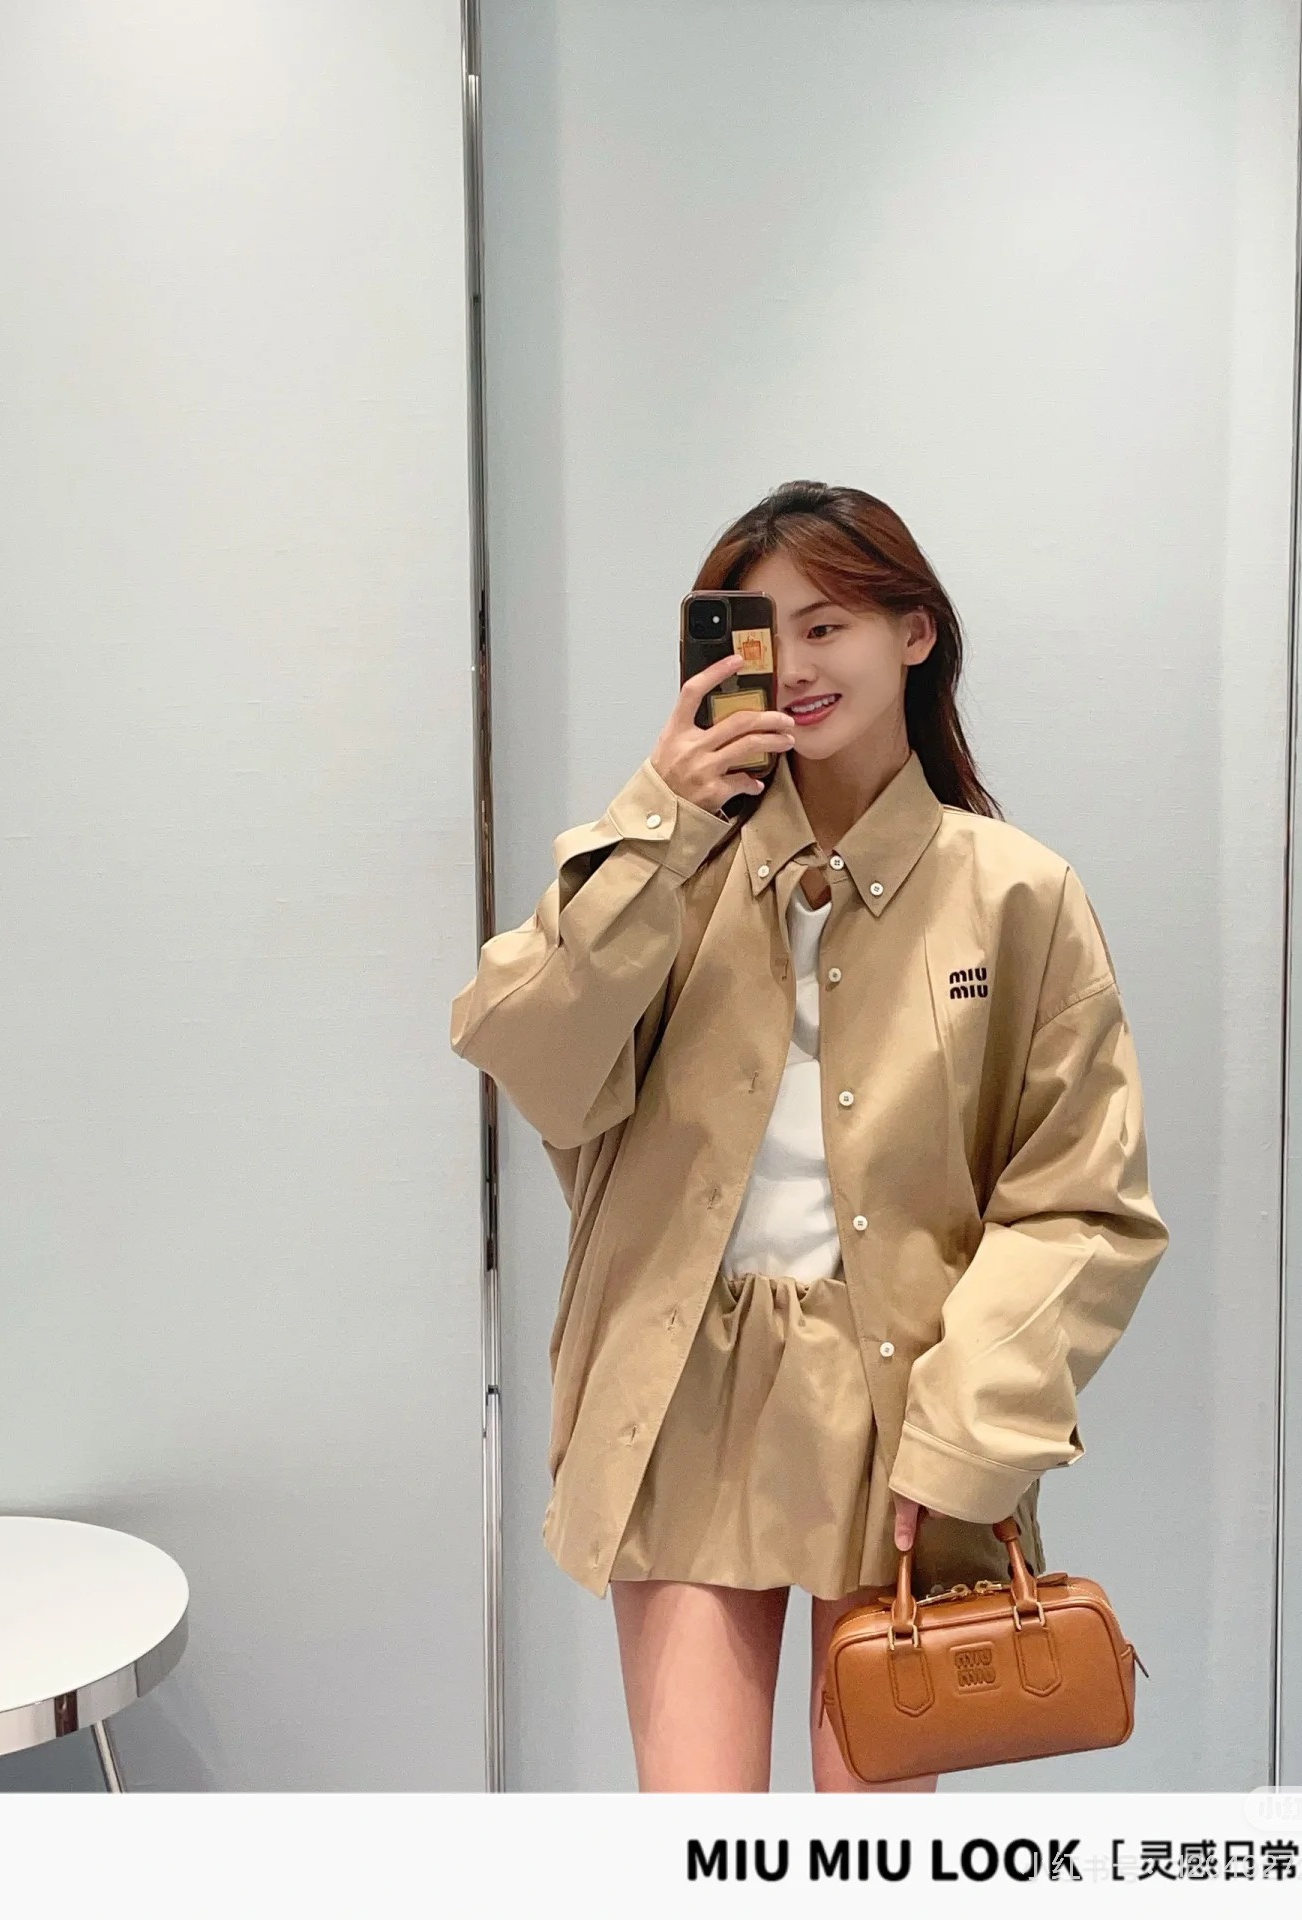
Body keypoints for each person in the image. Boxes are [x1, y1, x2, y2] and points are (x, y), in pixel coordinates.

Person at [450, 479, 1170, 1792]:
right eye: (759, 632)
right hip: (683, 1390)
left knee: (869, 1856)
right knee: (704, 1847)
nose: (793, 665)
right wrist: (658, 820)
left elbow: (1080, 1201)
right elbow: (529, 1053)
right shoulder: (664, 868)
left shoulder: (1018, 894)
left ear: (915, 633)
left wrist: (971, 1431)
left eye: (827, 624)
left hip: (911, 1403)